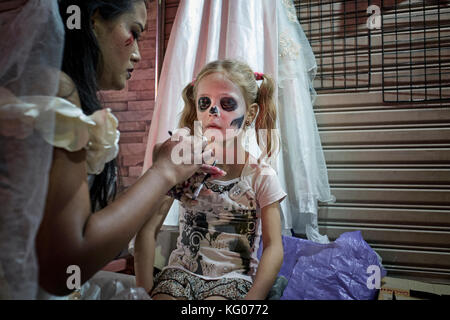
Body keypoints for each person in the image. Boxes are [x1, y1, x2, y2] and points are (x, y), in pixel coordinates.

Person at [1, 0, 224, 299]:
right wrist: (164, 173)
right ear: (93, 22)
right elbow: (63, 266)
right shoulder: (56, 89)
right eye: (134, 32)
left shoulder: (37, 82)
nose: (137, 54)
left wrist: (160, 180)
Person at [134, 59, 286, 300]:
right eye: (205, 103)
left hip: (232, 281)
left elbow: (274, 247)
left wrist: (252, 300)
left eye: (227, 103)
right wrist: (142, 291)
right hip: (179, 275)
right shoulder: (182, 166)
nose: (213, 111)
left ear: (251, 113)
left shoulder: (261, 175)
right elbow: (148, 228)